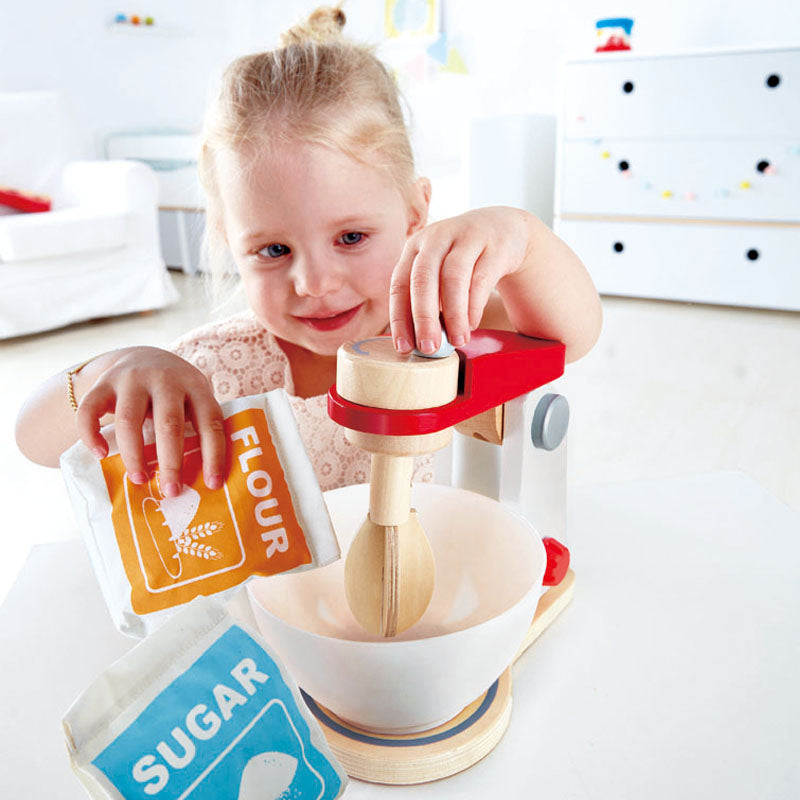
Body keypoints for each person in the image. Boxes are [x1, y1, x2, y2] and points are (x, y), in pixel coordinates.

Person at [15, 5, 602, 497]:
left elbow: (572, 336)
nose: (315, 283)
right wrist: (111, 368)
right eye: (273, 249)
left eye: (351, 238)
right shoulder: (214, 370)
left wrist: (525, 239)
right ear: (228, 241)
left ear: (414, 214)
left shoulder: (451, 327)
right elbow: (32, 440)